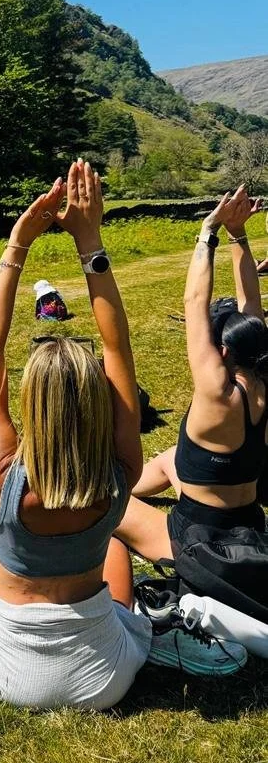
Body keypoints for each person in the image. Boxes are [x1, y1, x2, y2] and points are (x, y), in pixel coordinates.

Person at [0, 162, 241, 707]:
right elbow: (117, 349)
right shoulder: (123, 468)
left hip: (5, 669)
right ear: (97, 400)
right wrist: (90, 241)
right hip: (104, 676)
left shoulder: (5, 473)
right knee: (114, 548)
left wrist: (17, 243)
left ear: (31, 403)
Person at [118, 186, 267, 564]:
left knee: (99, 500)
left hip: (197, 542)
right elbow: (252, 302)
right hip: (251, 526)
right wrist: (239, 236)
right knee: (171, 458)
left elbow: (195, 302)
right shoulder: (265, 380)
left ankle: (121, 491)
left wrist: (208, 231)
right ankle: (133, 485)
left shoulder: (217, 391)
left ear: (222, 352)